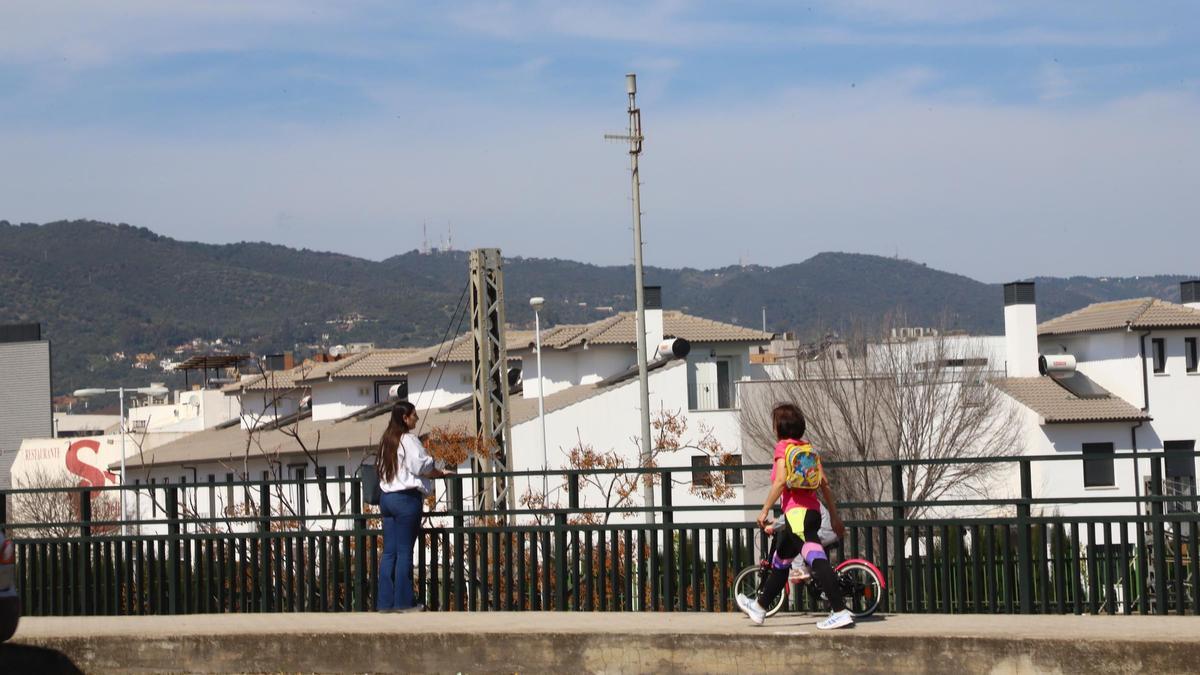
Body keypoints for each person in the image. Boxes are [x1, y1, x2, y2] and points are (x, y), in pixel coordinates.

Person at [737, 403, 853, 629]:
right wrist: (836, 518)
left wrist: (763, 510)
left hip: (797, 514)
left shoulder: (783, 448)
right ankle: (759, 608)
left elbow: (780, 482)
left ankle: (840, 611)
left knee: (817, 559)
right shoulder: (808, 449)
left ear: (779, 427)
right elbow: (825, 485)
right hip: (811, 512)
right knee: (781, 562)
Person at [375, 401, 451, 613]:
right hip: (406, 500)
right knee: (405, 552)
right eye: (413, 415)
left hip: (386, 498)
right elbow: (422, 465)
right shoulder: (408, 439)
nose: (416, 418)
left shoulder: (386, 440)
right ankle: (404, 603)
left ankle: (385, 603)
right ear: (405, 418)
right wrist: (439, 472)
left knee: (389, 553)